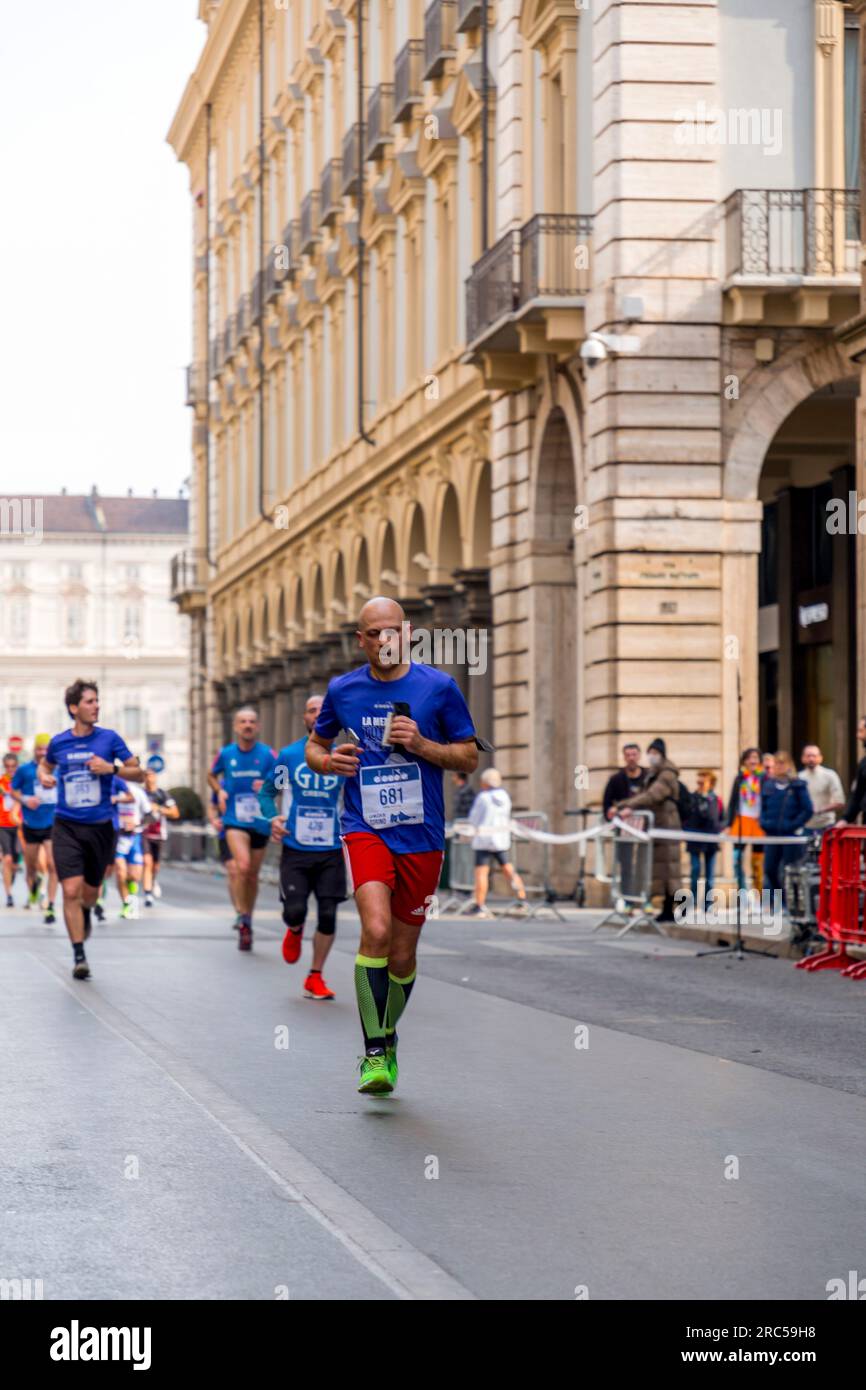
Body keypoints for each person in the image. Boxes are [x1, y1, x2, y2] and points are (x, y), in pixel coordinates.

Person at [306, 597, 479, 1095]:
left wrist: (423, 745)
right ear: (360, 640)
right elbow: (318, 746)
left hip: (422, 835)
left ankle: (388, 1033)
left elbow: (467, 756)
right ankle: (375, 1053)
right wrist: (327, 761)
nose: (384, 641)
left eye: (391, 632)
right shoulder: (343, 689)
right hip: (365, 826)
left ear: (407, 633)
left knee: (402, 956)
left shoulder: (439, 688)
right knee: (375, 929)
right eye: (373, 634)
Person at [41, 679, 144, 979]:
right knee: (69, 889)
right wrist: (44, 776)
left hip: (100, 828)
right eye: (89, 701)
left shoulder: (109, 739)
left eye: (97, 701)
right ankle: (79, 955)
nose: (96, 705)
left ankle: (87, 910)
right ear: (74, 708)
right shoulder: (59, 742)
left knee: (89, 893)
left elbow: (139, 772)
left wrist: (110, 768)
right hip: (66, 825)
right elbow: (45, 767)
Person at [259, 694, 346, 1001]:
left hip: (331, 849)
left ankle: (315, 976)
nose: (318, 714)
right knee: (295, 910)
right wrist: (273, 819)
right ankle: (294, 929)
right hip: (296, 848)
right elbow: (268, 794)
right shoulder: (290, 755)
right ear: (305, 719)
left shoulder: (344, 756)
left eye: (323, 710)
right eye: (311, 710)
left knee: (327, 915)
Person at [208, 708, 274, 951]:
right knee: (242, 866)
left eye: (252, 722)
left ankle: (247, 918)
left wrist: (269, 784)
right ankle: (241, 914)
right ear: (236, 727)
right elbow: (211, 775)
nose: (247, 725)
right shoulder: (226, 754)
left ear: (257, 727)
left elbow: (284, 780)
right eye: (243, 722)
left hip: (260, 821)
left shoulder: (268, 754)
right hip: (235, 820)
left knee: (252, 875)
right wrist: (219, 790)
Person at [615, 737, 681, 923]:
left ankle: (678, 907)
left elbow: (653, 795)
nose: (651, 757)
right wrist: (622, 805)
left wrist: (628, 807)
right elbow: (642, 795)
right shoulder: (654, 773)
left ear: (661, 754)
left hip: (667, 826)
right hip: (658, 826)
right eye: (650, 753)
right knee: (662, 871)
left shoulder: (667, 774)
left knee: (671, 871)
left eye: (655, 753)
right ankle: (667, 909)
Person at [10, 734, 58, 922]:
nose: (43, 752)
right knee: (31, 867)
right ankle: (34, 888)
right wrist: (25, 800)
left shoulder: (57, 769)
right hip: (31, 823)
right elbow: (13, 791)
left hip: (52, 823)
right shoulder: (24, 770)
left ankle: (51, 906)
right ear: (34, 750)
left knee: (52, 865)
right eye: (39, 748)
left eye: (46, 749)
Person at [467, 768, 528, 917]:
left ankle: (480, 904)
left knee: (481, 873)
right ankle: (521, 898)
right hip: (500, 839)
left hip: (484, 839)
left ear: (485, 783)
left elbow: (473, 819)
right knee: (508, 869)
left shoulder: (483, 798)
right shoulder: (504, 797)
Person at [760, 750, 813, 900]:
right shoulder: (768, 785)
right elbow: (762, 808)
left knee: (790, 870)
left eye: (783, 763)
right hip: (772, 835)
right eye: (777, 763)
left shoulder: (797, 785)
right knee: (770, 869)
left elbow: (808, 809)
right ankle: (781, 899)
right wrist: (764, 823)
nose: (779, 766)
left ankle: (791, 902)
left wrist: (793, 824)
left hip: (790, 835)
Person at [725, 747, 766, 894]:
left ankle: (760, 894)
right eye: (749, 758)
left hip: (758, 821)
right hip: (741, 820)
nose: (752, 761)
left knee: (759, 861)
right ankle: (742, 892)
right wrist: (728, 823)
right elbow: (732, 802)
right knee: (737, 858)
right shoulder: (740, 778)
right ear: (744, 761)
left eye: (755, 757)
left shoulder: (764, 778)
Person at [683, 769, 723, 911]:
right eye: (699, 780)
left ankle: (708, 903)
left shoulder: (715, 799)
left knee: (710, 875)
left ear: (710, 782)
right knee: (695, 869)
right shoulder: (692, 798)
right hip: (694, 839)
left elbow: (721, 818)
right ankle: (692, 901)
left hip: (711, 841)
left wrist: (719, 830)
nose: (700, 783)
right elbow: (686, 817)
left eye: (703, 780)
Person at [112, 776, 151, 919]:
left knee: (134, 876)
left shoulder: (138, 792)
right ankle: (126, 904)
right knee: (120, 872)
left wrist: (136, 825)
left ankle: (132, 898)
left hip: (135, 837)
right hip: (118, 837)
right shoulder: (112, 791)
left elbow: (149, 815)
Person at [141, 770, 179, 906]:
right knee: (147, 862)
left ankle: (153, 880)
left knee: (155, 866)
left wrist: (159, 809)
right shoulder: (141, 793)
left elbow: (175, 813)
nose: (148, 778)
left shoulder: (162, 794)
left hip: (158, 834)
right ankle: (148, 894)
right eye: (146, 776)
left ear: (155, 777)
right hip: (143, 833)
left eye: (151, 775)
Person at [208, 789, 241, 922]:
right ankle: (239, 911)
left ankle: (246, 908)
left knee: (245, 872)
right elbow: (212, 806)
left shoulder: (258, 775)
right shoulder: (222, 785)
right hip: (226, 832)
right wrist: (214, 820)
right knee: (233, 870)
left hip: (252, 830)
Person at [798, 745, 845, 831]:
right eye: (808, 756)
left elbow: (840, 802)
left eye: (814, 756)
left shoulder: (830, 775)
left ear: (820, 758)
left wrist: (819, 810)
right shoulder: (798, 777)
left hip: (826, 825)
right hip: (804, 826)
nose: (811, 759)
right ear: (802, 758)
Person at [0, 752, 22, 907]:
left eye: (13, 766)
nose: (10, 769)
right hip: (3, 826)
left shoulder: (22, 782)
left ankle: (11, 877)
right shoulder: (1, 782)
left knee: (14, 863)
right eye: (7, 767)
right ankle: (8, 895)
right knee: (7, 859)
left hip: (20, 826)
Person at [603, 743, 646, 819]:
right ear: (624, 757)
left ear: (639, 756)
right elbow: (607, 804)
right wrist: (612, 813)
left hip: (646, 824)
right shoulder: (615, 779)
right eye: (628, 755)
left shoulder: (648, 776)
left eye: (634, 754)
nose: (631, 758)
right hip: (623, 824)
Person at [836, 716, 866, 827]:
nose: (858, 736)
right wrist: (846, 819)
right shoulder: (864, 763)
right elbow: (858, 793)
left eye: (861, 731)